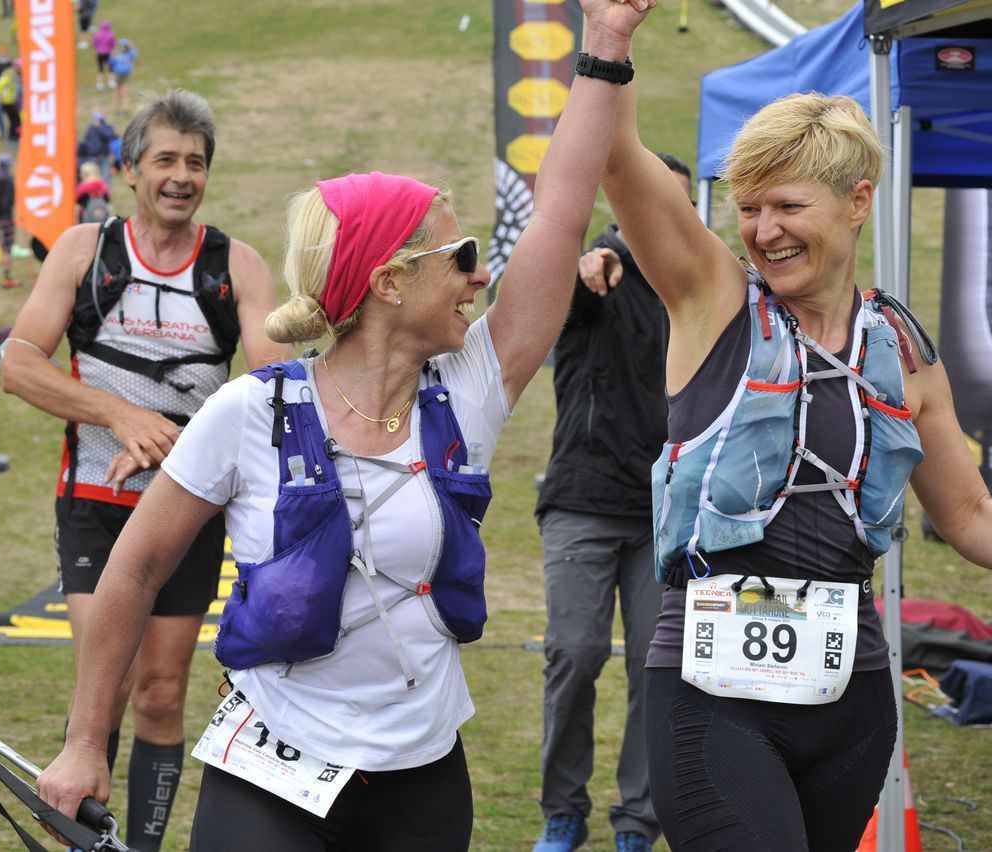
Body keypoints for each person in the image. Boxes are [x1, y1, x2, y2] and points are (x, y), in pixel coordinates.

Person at [35, 0, 655, 848]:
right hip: (269, 776)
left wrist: (606, 42)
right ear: (389, 282)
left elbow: (559, 213)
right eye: (460, 257)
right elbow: (134, 571)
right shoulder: (249, 412)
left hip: (423, 781)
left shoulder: (469, 388)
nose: (480, 278)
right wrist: (82, 743)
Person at [599, 37, 992, 845]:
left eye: (788, 207)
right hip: (711, 692)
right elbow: (618, 162)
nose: (764, 231)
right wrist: (608, 42)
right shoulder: (715, 302)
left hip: (850, 698)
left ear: (858, 202)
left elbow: (970, 516)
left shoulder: (902, 350)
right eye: (749, 209)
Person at [2, 89, 288, 852]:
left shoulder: (236, 265)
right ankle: (83, 838)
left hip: (188, 510)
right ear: (130, 169)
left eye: (195, 162)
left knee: (162, 694)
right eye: (165, 159)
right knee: (108, 685)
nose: (181, 176)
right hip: (95, 501)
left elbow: (275, 388)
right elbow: (19, 366)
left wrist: (176, 445)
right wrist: (120, 416)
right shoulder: (83, 251)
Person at [532, 152, 692, 852]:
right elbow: (559, 288)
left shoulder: (697, 287)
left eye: (681, 202)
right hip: (583, 502)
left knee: (655, 671)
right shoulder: (602, 271)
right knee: (575, 653)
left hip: (667, 513)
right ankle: (562, 811)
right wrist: (584, 266)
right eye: (654, 197)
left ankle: (638, 821)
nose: (667, 213)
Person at [0, 154, 18, 288]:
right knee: (6, 249)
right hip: (6, 219)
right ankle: (6, 278)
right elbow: (9, 201)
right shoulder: (9, 180)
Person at [78, 110, 118, 175]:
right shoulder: (90, 128)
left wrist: (99, 127)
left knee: (105, 174)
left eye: (98, 119)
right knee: (93, 174)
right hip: (92, 156)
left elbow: (110, 136)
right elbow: (87, 140)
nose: (96, 121)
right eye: (95, 119)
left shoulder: (106, 127)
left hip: (103, 156)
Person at [0, 60, 22, 142]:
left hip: (10, 102)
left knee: (15, 120)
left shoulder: (12, 76)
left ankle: (13, 136)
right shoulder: (8, 76)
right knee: (15, 120)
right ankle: (13, 136)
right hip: (6, 102)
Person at [108, 39, 137, 114]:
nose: (123, 47)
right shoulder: (116, 54)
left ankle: (126, 109)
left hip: (126, 74)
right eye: (122, 46)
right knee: (117, 93)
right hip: (118, 74)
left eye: (125, 46)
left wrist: (131, 45)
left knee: (125, 92)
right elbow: (111, 63)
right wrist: (113, 55)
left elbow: (134, 53)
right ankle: (117, 109)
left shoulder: (129, 54)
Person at [92, 21, 116, 91]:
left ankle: (100, 84)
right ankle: (111, 82)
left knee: (100, 69)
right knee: (111, 68)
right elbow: (112, 44)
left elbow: (94, 43)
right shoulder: (111, 35)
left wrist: (97, 49)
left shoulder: (97, 34)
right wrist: (112, 51)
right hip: (108, 53)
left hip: (99, 53)